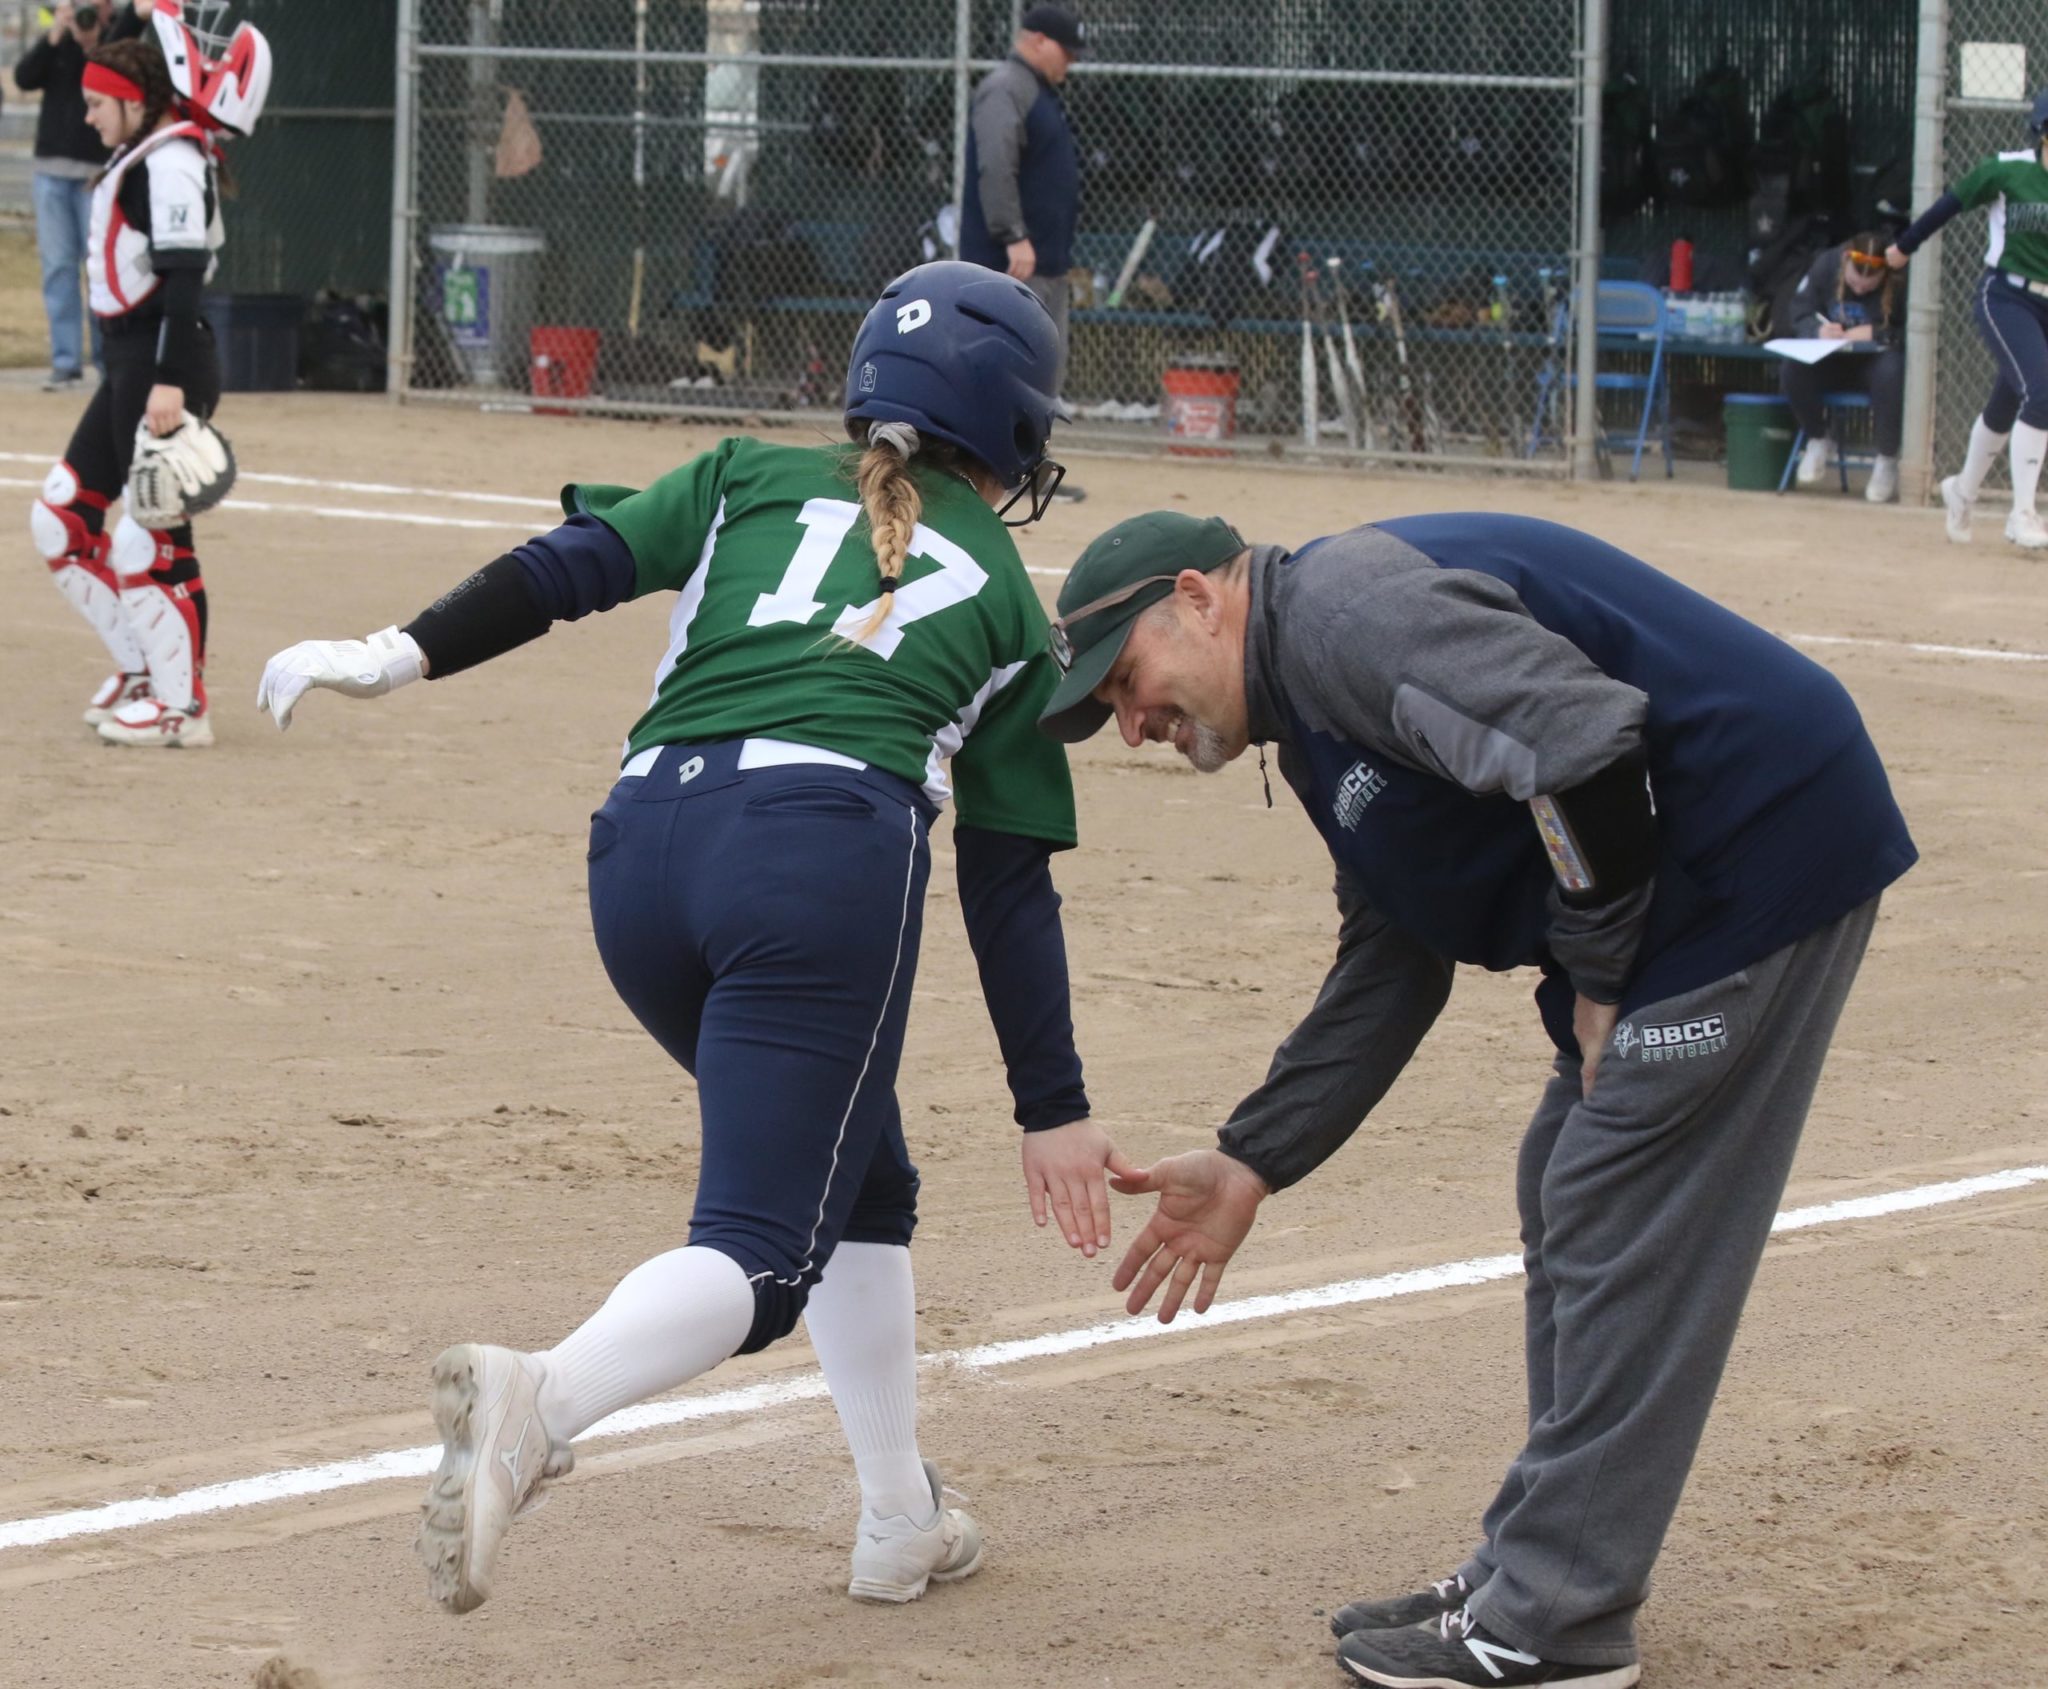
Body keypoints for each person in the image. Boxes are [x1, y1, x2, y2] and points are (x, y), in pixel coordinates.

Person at [255, 261, 1131, 1618]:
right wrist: (1052, 1105)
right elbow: (1006, 888)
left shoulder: (742, 475)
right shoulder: (1013, 600)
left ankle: (899, 1515)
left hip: (641, 856)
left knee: (863, 1174)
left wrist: (394, 651)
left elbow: (567, 570)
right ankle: (544, 1400)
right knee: (764, 1252)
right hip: (816, 860)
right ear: (1012, 427)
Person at [1037, 509, 1915, 1688]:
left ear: (1197, 599)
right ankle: (1527, 1568)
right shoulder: (1309, 711)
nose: (1132, 725)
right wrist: (1253, 1157)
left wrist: (1597, 978)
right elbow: (1393, 958)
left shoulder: (1346, 619)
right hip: (1680, 876)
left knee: (1613, 1207)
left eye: (1127, 681)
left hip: (1755, 846)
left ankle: (1555, 1619)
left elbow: (1579, 744)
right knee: (1563, 1185)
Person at [31, 27, 230, 746]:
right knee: (62, 519)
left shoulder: (171, 160)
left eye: (97, 104)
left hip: (160, 364)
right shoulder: (142, 154)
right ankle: (145, 669)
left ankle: (183, 708)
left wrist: (169, 381)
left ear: (134, 103)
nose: (87, 116)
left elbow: (184, 277)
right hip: (128, 361)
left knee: (151, 537)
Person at [1886, 88, 2048, 549]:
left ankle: (1962, 491)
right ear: (2041, 132)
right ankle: (2022, 514)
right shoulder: (2008, 169)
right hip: (2007, 298)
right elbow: (1950, 204)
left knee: (2006, 404)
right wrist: (1905, 246)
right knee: (2042, 393)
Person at [959, 3, 1086, 499]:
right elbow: (996, 164)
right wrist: (1011, 233)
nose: (1071, 61)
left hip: (1041, 260)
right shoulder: (1006, 87)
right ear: (1036, 40)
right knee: (1013, 369)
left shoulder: (1038, 91)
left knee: (1041, 370)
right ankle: (997, 472)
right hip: (1011, 261)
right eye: (1065, 50)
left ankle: (1028, 470)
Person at [14, 1, 111, 390]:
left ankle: (107, 362)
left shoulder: (115, 40)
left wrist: (93, 46)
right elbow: (24, 78)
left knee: (100, 270)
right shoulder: (57, 43)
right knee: (57, 269)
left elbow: (116, 82)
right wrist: (54, 36)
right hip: (51, 170)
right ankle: (65, 362)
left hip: (95, 174)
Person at [1781, 233, 1905, 503]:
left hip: (1873, 365)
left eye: (1868, 287)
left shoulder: (1899, 278)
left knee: (1892, 371)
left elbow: (1913, 331)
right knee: (1792, 367)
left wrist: (1877, 333)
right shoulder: (1826, 265)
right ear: (1845, 263)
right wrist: (1818, 330)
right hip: (1832, 360)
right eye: (1853, 283)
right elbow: (1799, 311)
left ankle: (1886, 458)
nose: (1859, 290)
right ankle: (1818, 437)